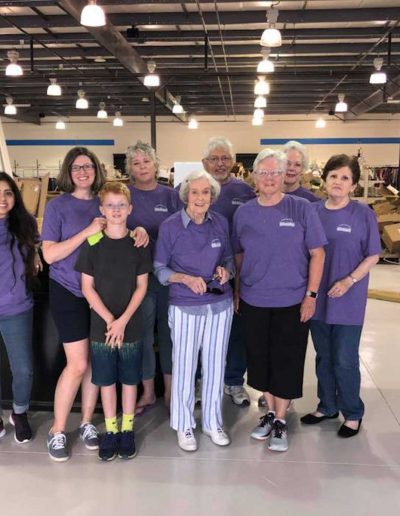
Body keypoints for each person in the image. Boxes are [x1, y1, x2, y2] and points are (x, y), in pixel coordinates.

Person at [41, 147, 147, 462]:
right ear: (68, 172)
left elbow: (126, 232)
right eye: (76, 167)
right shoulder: (58, 206)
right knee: (78, 364)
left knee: (96, 362)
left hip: (105, 297)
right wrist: (86, 232)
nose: (83, 171)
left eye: (88, 166)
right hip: (70, 291)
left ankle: (87, 421)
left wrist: (140, 231)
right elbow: (49, 255)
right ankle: (57, 430)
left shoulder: (106, 201)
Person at [232, 148, 326, 452]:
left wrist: (310, 296)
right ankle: (270, 414)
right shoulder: (244, 212)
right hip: (253, 299)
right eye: (264, 172)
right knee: (260, 361)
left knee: (286, 361)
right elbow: (239, 255)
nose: (270, 178)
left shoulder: (301, 208)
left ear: (284, 174)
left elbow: (318, 253)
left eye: (275, 172)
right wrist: (237, 291)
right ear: (254, 176)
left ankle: (282, 420)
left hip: (291, 301)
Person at [301, 154, 381, 437]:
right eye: (333, 175)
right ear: (324, 180)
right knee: (323, 355)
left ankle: (352, 412)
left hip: (348, 298)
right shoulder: (312, 211)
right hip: (317, 296)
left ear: (354, 185)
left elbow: (373, 254)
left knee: (344, 357)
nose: (338, 181)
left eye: (345, 177)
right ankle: (327, 406)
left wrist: (349, 280)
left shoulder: (363, 214)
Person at [154, 170, 234, 451]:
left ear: (212, 197)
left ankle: (213, 422)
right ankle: (184, 424)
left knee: (215, 367)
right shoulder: (170, 226)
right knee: (185, 367)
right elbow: (160, 269)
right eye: (196, 192)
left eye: (206, 192)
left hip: (219, 306)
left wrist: (227, 271)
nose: (201, 198)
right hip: (185, 307)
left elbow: (228, 258)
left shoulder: (220, 223)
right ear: (186, 195)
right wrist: (185, 278)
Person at [76, 182, 152, 461]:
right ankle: (110, 429)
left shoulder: (139, 243)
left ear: (130, 209)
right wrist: (110, 320)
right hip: (102, 327)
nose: (116, 210)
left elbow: (142, 287)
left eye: (121, 205)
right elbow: (87, 288)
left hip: (130, 324)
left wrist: (122, 321)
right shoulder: (93, 243)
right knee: (106, 381)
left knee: (130, 380)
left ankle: (127, 429)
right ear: (101, 210)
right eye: (110, 205)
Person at [126, 141, 182, 414]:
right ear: (130, 169)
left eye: (146, 162)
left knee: (169, 334)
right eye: (136, 163)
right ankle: (148, 392)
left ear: (155, 164)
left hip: (168, 277)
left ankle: (170, 391)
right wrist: (132, 231)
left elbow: (183, 233)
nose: (142, 167)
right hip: (139, 278)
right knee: (144, 336)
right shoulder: (125, 195)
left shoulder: (171, 196)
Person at [202, 137, 255, 407]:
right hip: (199, 275)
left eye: (225, 159)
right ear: (204, 163)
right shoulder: (192, 188)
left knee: (237, 331)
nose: (220, 164)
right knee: (202, 333)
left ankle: (233, 381)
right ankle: (202, 382)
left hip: (237, 272)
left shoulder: (245, 192)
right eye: (214, 159)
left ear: (232, 163)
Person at [0, 172, 40, 444]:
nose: (2, 200)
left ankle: (20, 412)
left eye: (7, 193)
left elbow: (36, 245)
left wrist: (36, 252)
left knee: (23, 369)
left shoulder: (25, 224)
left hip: (17, 307)